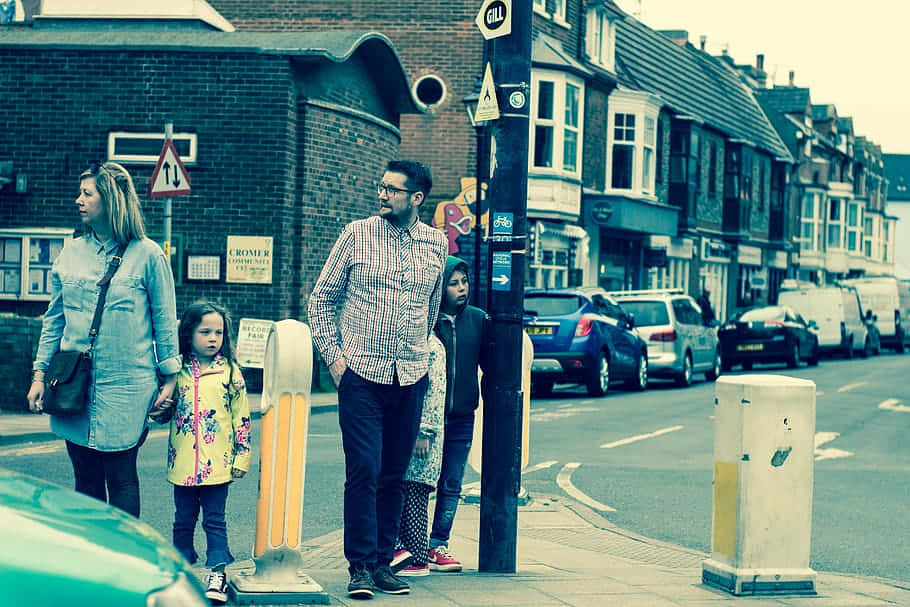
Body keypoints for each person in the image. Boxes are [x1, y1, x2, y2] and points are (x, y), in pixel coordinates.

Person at [308, 159, 448, 599]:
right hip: (361, 375)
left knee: (394, 472)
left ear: (416, 198)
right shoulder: (357, 234)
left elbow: (432, 305)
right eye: (381, 187)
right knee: (364, 470)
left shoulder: (437, 243)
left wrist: (417, 354)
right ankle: (360, 566)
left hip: (409, 376)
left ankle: (384, 563)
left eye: (391, 189)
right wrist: (335, 361)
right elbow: (320, 301)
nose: (382, 194)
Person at [26, 161, 180, 518]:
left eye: (87, 193)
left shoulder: (149, 256)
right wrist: (38, 375)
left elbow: (164, 321)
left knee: (122, 477)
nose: (78, 199)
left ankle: (126, 565)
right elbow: (55, 320)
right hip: (72, 385)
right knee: (85, 480)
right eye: (80, 192)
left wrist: (170, 379)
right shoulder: (71, 252)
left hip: (127, 387)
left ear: (110, 199)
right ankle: (91, 562)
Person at [157, 301, 251, 605]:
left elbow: (242, 418)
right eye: (205, 332)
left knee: (214, 519)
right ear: (188, 334)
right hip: (183, 462)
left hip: (219, 464)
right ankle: (181, 570)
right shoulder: (177, 373)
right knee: (183, 520)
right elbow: (160, 413)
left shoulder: (231, 373)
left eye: (219, 332)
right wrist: (160, 409)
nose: (213, 338)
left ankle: (217, 572)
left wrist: (242, 456)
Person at [428, 256, 490, 572]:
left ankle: (438, 544)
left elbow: (491, 366)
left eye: (464, 282)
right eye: (453, 283)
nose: (461, 288)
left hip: (463, 416)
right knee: (420, 481)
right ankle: (409, 543)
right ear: (441, 288)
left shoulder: (478, 320)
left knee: (452, 482)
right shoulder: (427, 321)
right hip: (429, 418)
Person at [393, 334, 446, 577]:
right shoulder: (422, 342)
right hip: (411, 432)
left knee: (413, 493)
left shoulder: (430, 345)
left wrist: (424, 430)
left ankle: (415, 559)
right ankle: (412, 555)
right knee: (408, 493)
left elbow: (434, 390)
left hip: (420, 436)